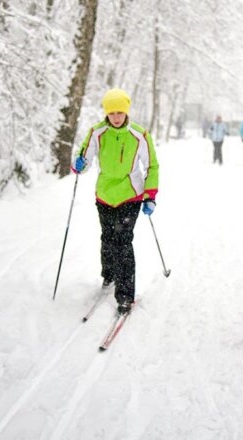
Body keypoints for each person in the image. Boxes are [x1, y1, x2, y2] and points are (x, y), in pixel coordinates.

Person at [71, 88, 160, 314]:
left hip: (130, 196)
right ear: (107, 113)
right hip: (104, 195)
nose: (117, 117)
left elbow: (152, 166)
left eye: (120, 112)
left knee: (123, 242)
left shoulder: (139, 135)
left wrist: (150, 196)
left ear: (126, 111)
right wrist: (79, 164)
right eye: (112, 113)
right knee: (108, 238)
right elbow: (85, 160)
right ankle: (108, 275)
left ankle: (125, 294)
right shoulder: (96, 133)